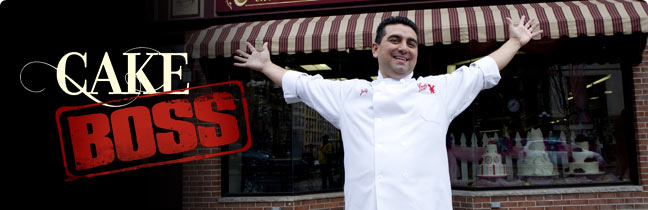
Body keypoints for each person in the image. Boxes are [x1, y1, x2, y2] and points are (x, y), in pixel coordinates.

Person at [234, 15, 541, 210]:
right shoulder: (350, 94)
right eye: (394, 40)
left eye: (411, 43)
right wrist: (265, 66)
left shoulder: (439, 91)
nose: (403, 47)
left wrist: (515, 42)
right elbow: (302, 84)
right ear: (375, 48)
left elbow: (481, 71)